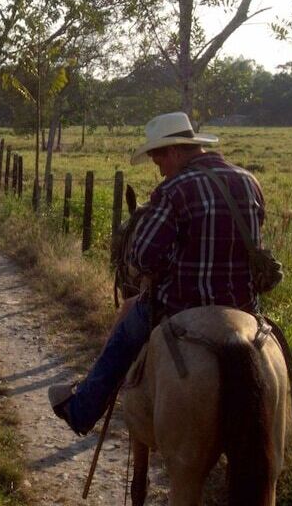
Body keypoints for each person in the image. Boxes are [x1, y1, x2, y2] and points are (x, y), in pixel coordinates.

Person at [49, 111, 266, 435]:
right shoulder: (249, 181)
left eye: (158, 159)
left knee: (123, 338)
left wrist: (154, 268)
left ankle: (82, 410)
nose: (159, 168)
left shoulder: (174, 189)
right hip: (244, 308)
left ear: (175, 151)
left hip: (180, 305)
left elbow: (143, 256)